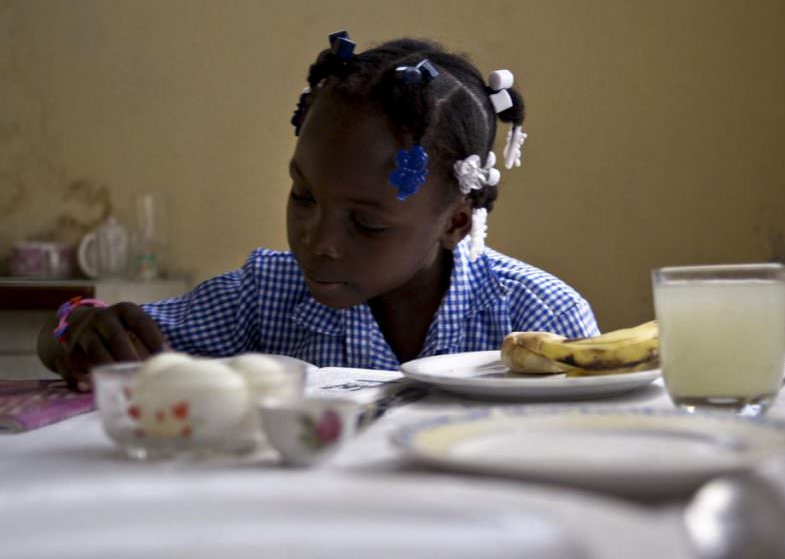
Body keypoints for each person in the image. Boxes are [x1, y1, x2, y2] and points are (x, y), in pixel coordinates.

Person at [37, 31, 599, 390]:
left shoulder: (539, 317)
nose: (317, 239)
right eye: (303, 196)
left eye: (366, 223)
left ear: (454, 222)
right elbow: (74, 335)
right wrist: (78, 330)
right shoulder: (264, 298)